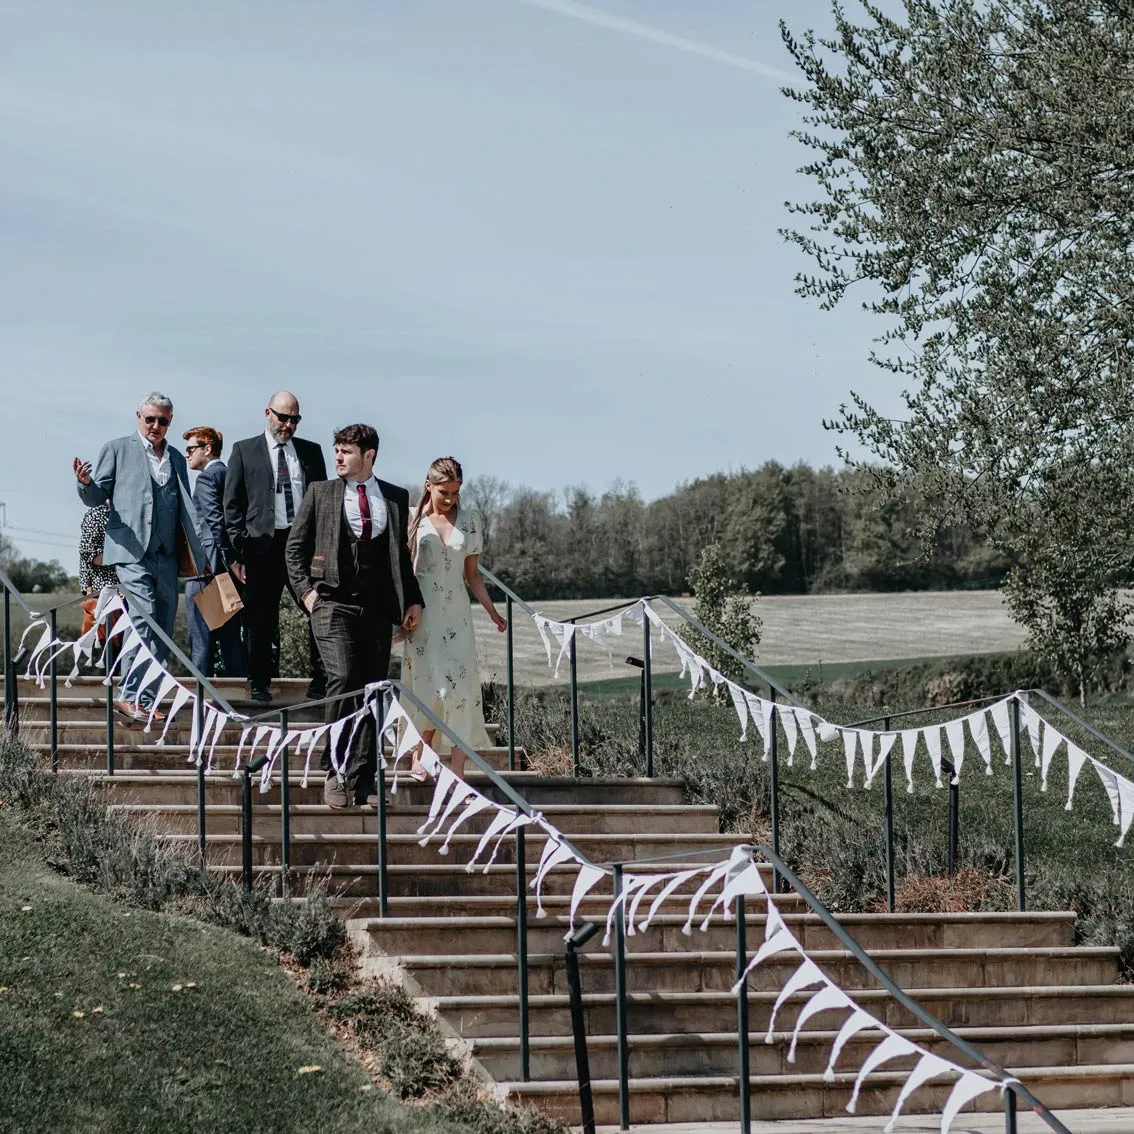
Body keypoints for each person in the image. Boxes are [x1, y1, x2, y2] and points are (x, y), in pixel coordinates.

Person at [285, 424, 423, 808]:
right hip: (331, 603)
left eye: (347, 452)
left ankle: (365, 779)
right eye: (337, 451)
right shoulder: (321, 493)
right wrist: (306, 594)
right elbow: (294, 549)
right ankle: (335, 770)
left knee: (374, 689)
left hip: (377, 608)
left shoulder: (395, 497)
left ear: (370, 456)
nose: (339, 458)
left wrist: (413, 600)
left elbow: (400, 559)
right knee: (344, 678)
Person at [73, 393, 211, 721]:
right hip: (131, 554)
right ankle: (128, 695)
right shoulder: (117, 449)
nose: (155, 426)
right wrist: (84, 484)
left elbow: (186, 509)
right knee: (144, 616)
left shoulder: (177, 458)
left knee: (162, 625)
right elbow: (97, 496)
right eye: (150, 419)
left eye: (163, 421)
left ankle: (146, 700)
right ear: (138, 417)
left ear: (169, 423)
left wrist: (201, 555)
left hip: (168, 555)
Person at [403, 457, 506, 780]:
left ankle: (458, 767)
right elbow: (403, 573)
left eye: (456, 492)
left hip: (458, 617)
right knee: (428, 688)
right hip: (423, 616)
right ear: (428, 486)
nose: (449, 499)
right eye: (444, 492)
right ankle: (420, 756)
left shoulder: (470, 521)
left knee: (461, 690)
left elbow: (472, 574)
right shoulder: (412, 520)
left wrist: (490, 609)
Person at [223, 391, 328, 702]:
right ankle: (258, 682)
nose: (288, 424)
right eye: (283, 417)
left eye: (295, 419)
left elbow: (322, 501)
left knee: (318, 609)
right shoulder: (245, 451)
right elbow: (232, 505)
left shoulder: (311, 452)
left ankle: (321, 680)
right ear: (268, 413)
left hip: (301, 546)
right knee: (259, 619)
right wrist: (238, 551)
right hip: (261, 547)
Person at [183, 426, 246, 678]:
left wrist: (227, 560)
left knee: (201, 643)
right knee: (230, 639)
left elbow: (215, 522)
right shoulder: (228, 474)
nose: (187, 454)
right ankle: (239, 697)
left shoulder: (208, 478)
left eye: (191, 448)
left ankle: (203, 702)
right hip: (227, 569)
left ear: (207, 449)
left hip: (207, 570)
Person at [78, 503, 117, 596]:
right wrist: (124, 560)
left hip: (122, 587)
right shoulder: (98, 512)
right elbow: (88, 551)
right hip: (102, 588)